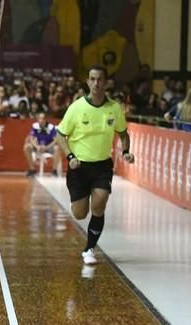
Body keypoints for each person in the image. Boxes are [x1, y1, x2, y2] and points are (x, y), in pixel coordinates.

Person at [55, 65, 135, 266]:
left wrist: (125, 152)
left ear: (105, 82)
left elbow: (123, 133)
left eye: (100, 79)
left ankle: (89, 249)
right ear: (88, 81)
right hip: (79, 166)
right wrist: (70, 155)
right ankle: (80, 202)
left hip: (102, 166)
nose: (96, 83)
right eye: (92, 79)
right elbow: (60, 135)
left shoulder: (115, 108)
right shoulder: (76, 107)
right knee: (80, 213)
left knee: (99, 203)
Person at [23, 112, 61, 176]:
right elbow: (31, 139)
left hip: (48, 147)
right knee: (27, 147)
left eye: (43, 119)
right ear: (38, 119)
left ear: (46, 119)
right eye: (40, 118)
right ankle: (32, 169)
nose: (41, 120)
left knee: (57, 148)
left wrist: (47, 147)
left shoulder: (51, 127)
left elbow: (56, 140)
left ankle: (54, 171)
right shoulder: (35, 126)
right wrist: (37, 146)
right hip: (38, 147)